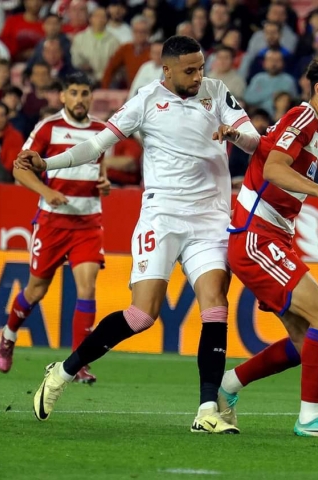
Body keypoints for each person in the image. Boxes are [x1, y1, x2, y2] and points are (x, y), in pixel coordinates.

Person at [15, 36, 260, 433]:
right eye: (190, 70)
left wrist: (234, 135)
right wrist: (47, 162)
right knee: (142, 315)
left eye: (201, 67)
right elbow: (95, 145)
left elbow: (255, 140)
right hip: (161, 217)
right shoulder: (145, 100)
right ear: (167, 70)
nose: (199, 76)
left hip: (210, 220)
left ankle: (206, 410)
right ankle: (62, 371)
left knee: (215, 305)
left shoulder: (216, 92)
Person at [218, 57, 318, 439]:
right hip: (255, 237)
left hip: (271, 236)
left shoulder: (312, 129)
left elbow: (262, 152)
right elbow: (273, 169)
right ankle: (311, 418)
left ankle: (228, 385)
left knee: (305, 341)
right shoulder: (303, 118)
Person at [0, 72, 110, 383]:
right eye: (73, 92)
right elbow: (20, 169)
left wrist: (105, 182)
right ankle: (7, 335)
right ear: (62, 97)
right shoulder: (48, 128)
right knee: (36, 290)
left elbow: (101, 170)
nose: (80, 99)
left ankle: (78, 363)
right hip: (52, 223)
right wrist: (46, 192)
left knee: (87, 288)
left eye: (85, 93)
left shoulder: (102, 130)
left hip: (88, 222)